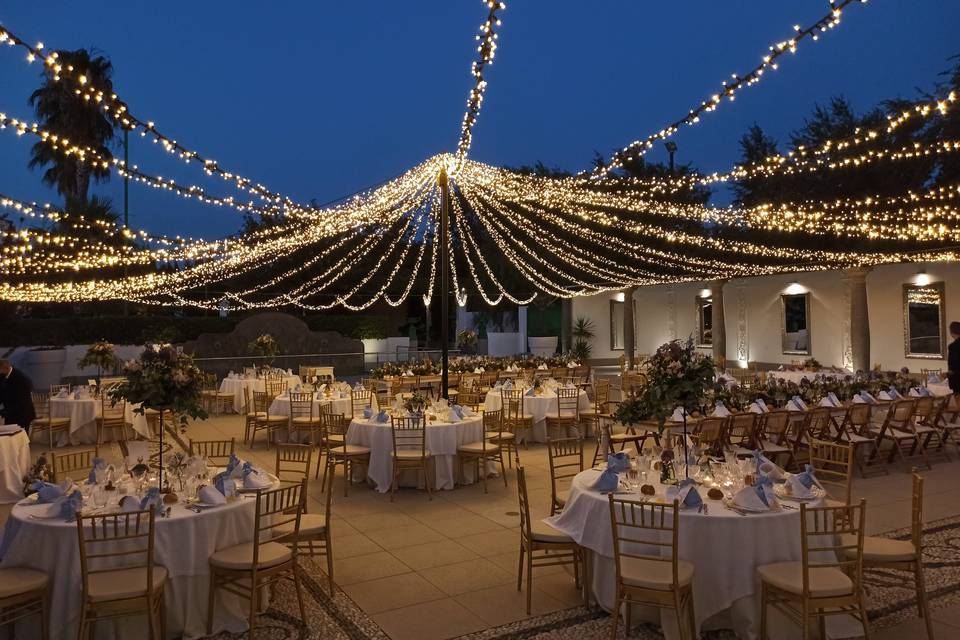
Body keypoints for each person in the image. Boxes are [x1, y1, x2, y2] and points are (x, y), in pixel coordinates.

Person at [0, 359, 36, 428]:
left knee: (20, 437)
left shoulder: (21, 379)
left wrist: (3, 412)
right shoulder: (2, 375)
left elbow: (22, 402)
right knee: (9, 437)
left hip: (23, 414)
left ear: (4, 369)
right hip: (10, 414)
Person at [949, 321, 960, 395]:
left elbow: (953, 366)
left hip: (957, 381)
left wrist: (946, 374)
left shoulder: (953, 346)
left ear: (952, 332)